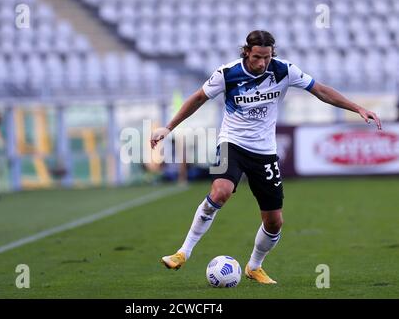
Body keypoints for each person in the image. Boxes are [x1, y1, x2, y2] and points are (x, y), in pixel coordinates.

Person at [150, 30, 381, 284]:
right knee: (221, 191)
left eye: (267, 57)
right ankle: (183, 252)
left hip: (265, 152)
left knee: (274, 222)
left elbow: (321, 91)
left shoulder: (284, 71)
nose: (262, 63)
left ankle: (254, 266)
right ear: (246, 52)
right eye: (257, 57)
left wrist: (358, 108)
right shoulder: (227, 74)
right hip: (232, 144)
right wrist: (168, 127)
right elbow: (197, 98)